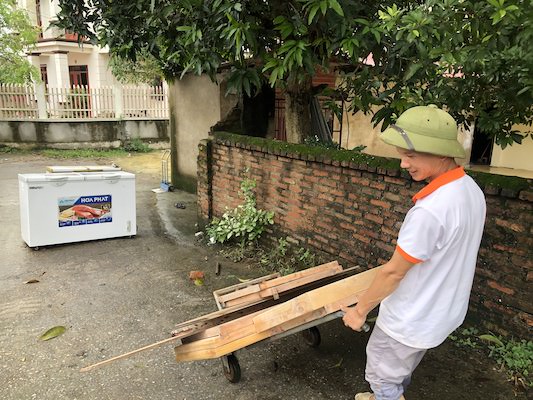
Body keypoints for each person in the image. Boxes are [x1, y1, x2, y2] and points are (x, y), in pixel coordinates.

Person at [341, 104, 486, 400]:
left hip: (409, 318)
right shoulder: (470, 190)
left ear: (441, 152)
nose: (403, 164)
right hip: (440, 314)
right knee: (401, 367)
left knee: (381, 375)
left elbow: (394, 272)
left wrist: (359, 312)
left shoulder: (431, 211)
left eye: (411, 155)